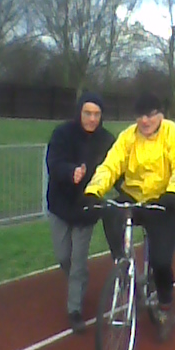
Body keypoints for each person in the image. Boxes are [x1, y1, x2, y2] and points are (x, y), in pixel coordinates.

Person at [84, 92, 175, 342]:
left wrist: (174, 192)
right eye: (140, 116)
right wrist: (94, 191)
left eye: (150, 115)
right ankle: (123, 264)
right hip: (134, 196)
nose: (144, 121)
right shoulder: (128, 137)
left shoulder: (174, 135)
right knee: (110, 212)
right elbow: (111, 165)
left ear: (161, 115)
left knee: (161, 261)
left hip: (163, 201)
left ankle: (165, 307)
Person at [46, 91, 115, 334]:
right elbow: (54, 163)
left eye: (97, 114)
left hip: (87, 208)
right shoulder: (62, 134)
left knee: (77, 260)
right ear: (79, 112)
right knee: (63, 256)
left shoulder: (107, 140)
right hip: (60, 205)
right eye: (87, 113)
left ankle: (74, 309)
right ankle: (80, 282)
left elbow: (117, 168)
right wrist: (71, 172)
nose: (92, 119)